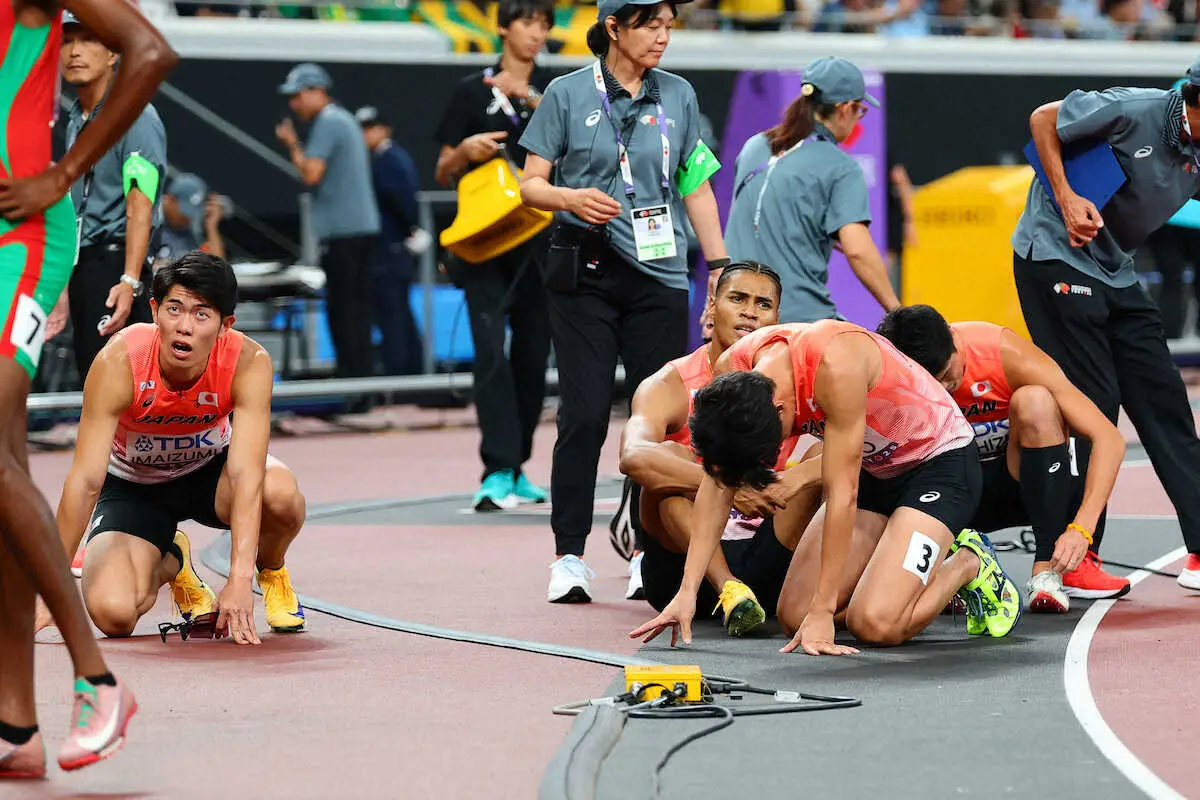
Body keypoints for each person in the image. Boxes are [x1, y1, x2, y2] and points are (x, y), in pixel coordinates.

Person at [0, 0, 175, 777]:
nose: (74, 53)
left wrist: (62, 176)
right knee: (5, 477)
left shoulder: (118, 113)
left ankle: (97, 680)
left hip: (22, 234)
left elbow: (151, 49)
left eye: (82, 45)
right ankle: (14, 725)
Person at [630, 320, 1024, 654]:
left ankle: (969, 562)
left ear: (782, 409)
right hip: (875, 467)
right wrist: (687, 590)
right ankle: (892, 571)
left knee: (876, 624)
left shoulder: (836, 366)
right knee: (794, 618)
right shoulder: (733, 370)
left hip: (937, 466)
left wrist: (824, 611)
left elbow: (842, 495)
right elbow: (719, 483)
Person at [519, 0, 730, 603]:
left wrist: (718, 266)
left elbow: (694, 183)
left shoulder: (679, 95)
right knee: (584, 415)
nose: (664, 38)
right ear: (613, 27)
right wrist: (568, 197)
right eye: (650, 26)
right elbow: (529, 183)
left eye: (669, 26)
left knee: (661, 423)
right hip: (583, 274)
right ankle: (568, 554)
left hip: (660, 275)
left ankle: (647, 549)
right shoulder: (565, 92)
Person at [39, 253, 308, 648]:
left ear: (224, 326)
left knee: (281, 494)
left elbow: (246, 475)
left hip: (209, 475)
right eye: (174, 309)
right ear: (154, 310)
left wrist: (238, 579)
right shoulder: (119, 360)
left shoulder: (250, 362)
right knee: (113, 615)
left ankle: (272, 570)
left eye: (201, 315)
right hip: (133, 486)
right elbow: (85, 481)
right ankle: (173, 559)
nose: (184, 327)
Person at [1012, 59, 1200, 592]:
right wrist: (1068, 198)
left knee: (1163, 400)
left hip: (1116, 269)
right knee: (1092, 405)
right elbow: (1043, 118)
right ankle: (1072, 559)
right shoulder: (1132, 108)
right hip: (1055, 256)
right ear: (1195, 100)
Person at [877, 305, 1127, 611]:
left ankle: (1047, 571)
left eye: (946, 375)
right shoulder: (893, 376)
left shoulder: (1002, 352)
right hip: (945, 490)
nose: (943, 389)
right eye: (931, 384)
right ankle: (939, 566)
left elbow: (1108, 438)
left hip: (1021, 483)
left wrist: (1081, 530)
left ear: (955, 341)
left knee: (1035, 401)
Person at [620, 262, 820, 634]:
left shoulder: (789, 380)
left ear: (777, 316)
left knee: (821, 459)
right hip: (684, 560)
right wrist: (729, 487)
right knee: (667, 460)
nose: (749, 311)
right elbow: (632, 456)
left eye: (763, 304)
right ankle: (729, 590)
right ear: (711, 307)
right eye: (738, 299)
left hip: (767, 546)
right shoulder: (669, 382)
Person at [433, 0, 553, 510]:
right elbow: (441, 169)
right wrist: (466, 152)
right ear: (503, 27)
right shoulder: (469, 92)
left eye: (544, 24)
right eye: (528, 22)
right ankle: (496, 468)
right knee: (489, 352)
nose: (537, 33)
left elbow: (579, 157)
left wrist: (526, 95)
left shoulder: (558, 92)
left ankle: (518, 465)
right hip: (484, 244)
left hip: (541, 242)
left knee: (531, 355)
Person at [723, 57, 900, 324]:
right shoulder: (841, 166)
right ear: (845, 108)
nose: (857, 120)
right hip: (797, 323)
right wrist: (899, 312)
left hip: (735, 321)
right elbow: (857, 250)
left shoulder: (754, 147)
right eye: (859, 111)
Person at [55, 11, 168, 375]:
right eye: (67, 41)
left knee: (120, 391)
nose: (75, 51)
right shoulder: (77, 120)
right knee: (93, 384)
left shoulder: (134, 115)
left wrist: (130, 280)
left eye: (88, 40)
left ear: (113, 54)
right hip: (84, 267)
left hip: (117, 268)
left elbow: (140, 203)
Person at [275, 63, 380, 386]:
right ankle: (360, 386)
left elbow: (311, 173)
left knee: (345, 313)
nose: (293, 104)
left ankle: (353, 387)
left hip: (345, 235)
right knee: (356, 313)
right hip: (359, 231)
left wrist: (292, 144)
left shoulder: (329, 121)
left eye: (297, 96)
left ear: (316, 91)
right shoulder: (343, 119)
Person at [356, 105, 423, 376]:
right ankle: (408, 370)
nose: (365, 134)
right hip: (391, 247)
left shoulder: (389, 159)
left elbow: (403, 202)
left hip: (391, 249)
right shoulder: (382, 159)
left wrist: (409, 231)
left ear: (384, 129)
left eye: (370, 128)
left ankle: (401, 373)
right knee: (397, 312)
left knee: (393, 312)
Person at [159, 172, 226, 261]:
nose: (188, 218)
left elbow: (218, 269)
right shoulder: (149, 217)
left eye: (192, 212)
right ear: (170, 199)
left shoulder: (189, 234)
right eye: (185, 211)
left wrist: (211, 227)